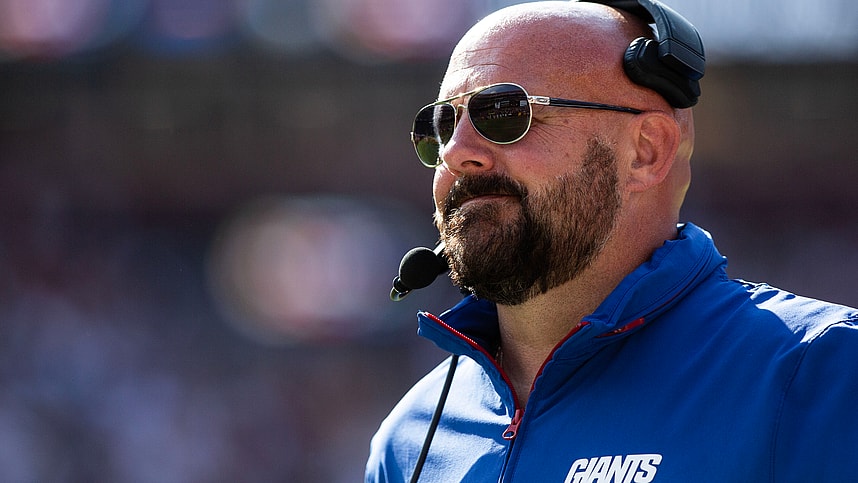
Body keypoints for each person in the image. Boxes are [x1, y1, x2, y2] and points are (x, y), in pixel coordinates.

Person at [366, 1, 858, 482]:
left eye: (503, 113)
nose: (456, 153)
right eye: (441, 126)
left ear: (646, 151)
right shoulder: (407, 440)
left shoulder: (823, 371)